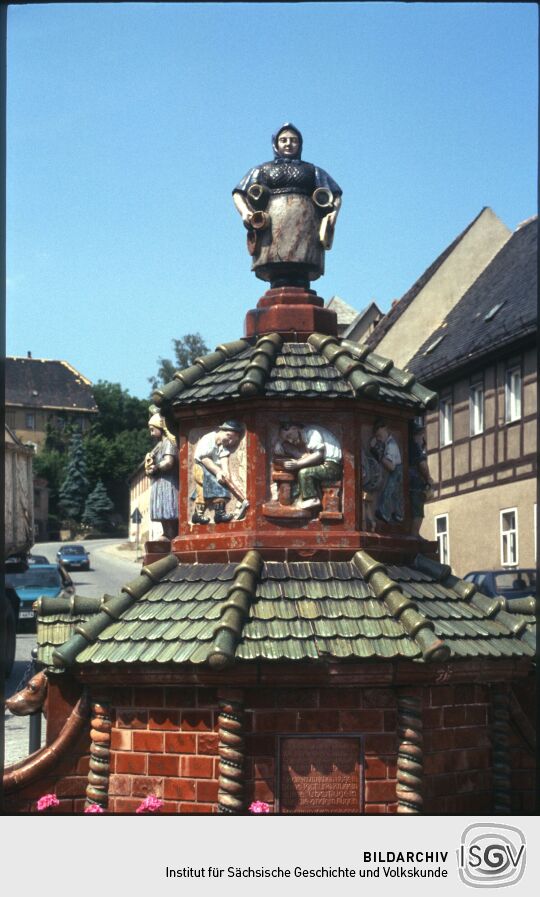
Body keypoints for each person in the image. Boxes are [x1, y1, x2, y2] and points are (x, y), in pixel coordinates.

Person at [233, 124, 342, 288]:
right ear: (276, 144)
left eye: (293, 140)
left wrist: (333, 213)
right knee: (275, 263)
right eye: (283, 140)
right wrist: (245, 212)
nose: (288, 144)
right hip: (273, 227)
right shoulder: (263, 170)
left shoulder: (312, 170)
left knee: (302, 264)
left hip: (306, 227)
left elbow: (335, 194)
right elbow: (239, 192)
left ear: (300, 144)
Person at [277, 421, 342, 511]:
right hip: (324, 464)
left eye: (289, 436)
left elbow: (319, 455)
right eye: (287, 439)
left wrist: (297, 464)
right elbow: (307, 457)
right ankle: (295, 498)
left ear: (294, 428)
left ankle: (311, 499)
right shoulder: (305, 436)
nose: (290, 440)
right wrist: (284, 447)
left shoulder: (312, 433)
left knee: (305, 472)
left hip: (332, 467)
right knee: (298, 475)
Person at [191, 421, 247, 524]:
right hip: (202, 467)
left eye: (232, 441)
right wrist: (218, 472)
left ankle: (200, 515)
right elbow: (205, 459)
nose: (229, 442)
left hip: (211, 469)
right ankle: (218, 514)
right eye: (229, 437)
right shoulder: (208, 439)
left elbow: (223, 457)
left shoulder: (222, 444)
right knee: (217, 487)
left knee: (204, 492)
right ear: (222, 431)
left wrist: (226, 472)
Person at [145, 413, 179, 541]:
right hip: (159, 481)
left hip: (168, 481)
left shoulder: (168, 443)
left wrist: (156, 467)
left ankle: (172, 532)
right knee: (160, 508)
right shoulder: (158, 446)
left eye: (153, 430)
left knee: (167, 506)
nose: (152, 433)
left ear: (161, 427)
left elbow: (169, 461)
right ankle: (166, 532)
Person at [370, 419, 404, 524]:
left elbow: (391, 466)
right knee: (395, 494)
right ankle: (398, 514)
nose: (379, 439)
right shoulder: (387, 443)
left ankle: (385, 513)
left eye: (380, 436)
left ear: (385, 429)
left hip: (397, 471)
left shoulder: (391, 445)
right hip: (396, 471)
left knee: (389, 492)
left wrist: (378, 453)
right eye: (377, 437)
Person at [408, 421, 435, 537]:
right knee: (418, 510)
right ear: (415, 435)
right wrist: (428, 479)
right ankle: (415, 534)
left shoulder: (407, 446)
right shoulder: (415, 447)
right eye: (420, 435)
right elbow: (422, 465)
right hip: (415, 482)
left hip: (408, 482)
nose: (422, 438)